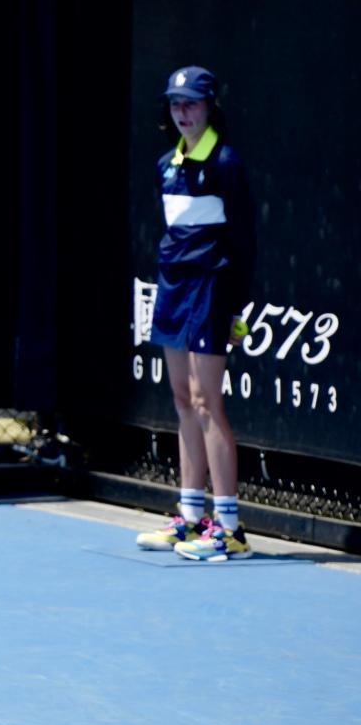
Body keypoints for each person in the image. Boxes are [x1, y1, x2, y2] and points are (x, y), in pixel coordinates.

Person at [136, 65, 255, 562]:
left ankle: (230, 529)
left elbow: (244, 241)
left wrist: (236, 308)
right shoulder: (166, 165)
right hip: (173, 288)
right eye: (175, 104)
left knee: (208, 403)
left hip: (211, 289)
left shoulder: (225, 163)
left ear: (209, 107)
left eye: (191, 103)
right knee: (183, 399)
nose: (182, 112)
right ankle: (189, 517)